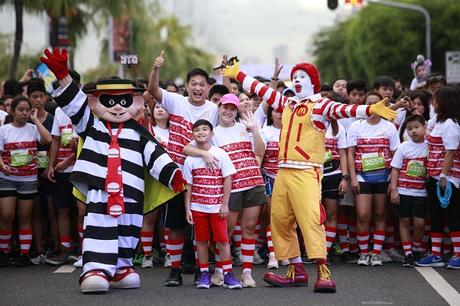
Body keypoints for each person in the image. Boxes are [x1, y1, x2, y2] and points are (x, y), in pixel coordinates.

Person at [223, 60, 396, 293]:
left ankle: (323, 271)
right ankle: (297, 270)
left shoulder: (320, 104)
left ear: (313, 82)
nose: (297, 80)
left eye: (303, 77)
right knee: (281, 221)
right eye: (295, 76)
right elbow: (262, 90)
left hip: (306, 170)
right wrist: (237, 74)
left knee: (311, 220)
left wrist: (370, 109)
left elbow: (344, 109)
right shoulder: (287, 103)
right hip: (282, 171)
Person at [40, 48, 184, 293]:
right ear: (96, 102)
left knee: (129, 228)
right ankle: (96, 267)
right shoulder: (92, 126)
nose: (117, 107)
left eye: (123, 101)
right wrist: (63, 75)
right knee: (101, 227)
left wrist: (172, 174)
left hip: (131, 193)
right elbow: (75, 106)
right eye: (110, 101)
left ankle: (121, 267)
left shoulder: (139, 133)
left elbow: (156, 155)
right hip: (101, 190)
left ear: (135, 103)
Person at [147, 51, 219, 287]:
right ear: (186, 86)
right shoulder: (175, 101)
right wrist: (156, 69)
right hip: (177, 175)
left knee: (202, 229)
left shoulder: (213, 110)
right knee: (176, 226)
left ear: (208, 87)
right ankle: (175, 270)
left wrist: (226, 75)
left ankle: (201, 271)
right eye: (193, 84)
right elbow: (154, 91)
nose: (197, 88)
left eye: (202, 84)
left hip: (203, 178)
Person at [184, 94, 266, 287]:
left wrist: (254, 130)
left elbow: (260, 151)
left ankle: (246, 272)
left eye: (232, 108)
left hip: (254, 182)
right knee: (225, 233)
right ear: (219, 108)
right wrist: (203, 153)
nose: (228, 111)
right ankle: (220, 269)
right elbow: (188, 149)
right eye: (225, 107)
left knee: (249, 229)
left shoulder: (244, 127)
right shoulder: (214, 132)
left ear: (236, 110)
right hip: (232, 187)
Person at [183, 119, 242, 289]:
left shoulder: (221, 154)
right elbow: (188, 186)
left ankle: (229, 275)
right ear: (193, 135)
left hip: (217, 208)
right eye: (197, 130)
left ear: (212, 133)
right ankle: (203, 274)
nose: (201, 132)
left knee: (223, 241)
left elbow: (228, 179)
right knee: (201, 241)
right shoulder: (190, 160)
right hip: (197, 207)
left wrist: (225, 204)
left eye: (204, 129)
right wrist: (188, 208)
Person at [347, 91, 400, 267]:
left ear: (383, 105)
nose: (373, 106)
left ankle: (376, 253)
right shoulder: (356, 126)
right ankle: (363, 252)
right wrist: (353, 178)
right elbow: (350, 153)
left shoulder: (389, 127)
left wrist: (393, 184)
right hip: (362, 177)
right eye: (369, 103)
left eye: (377, 103)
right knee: (362, 215)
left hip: (383, 177)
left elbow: (396, 157)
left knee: (380, 214)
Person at [0, 96, 52, 267]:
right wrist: (3, 166)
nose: (23, 113)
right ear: (12, 110)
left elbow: (48, 140)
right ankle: (4, 252)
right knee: (7, 216)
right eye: (20, 109)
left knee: (25, 216)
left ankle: (24, 253)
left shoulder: (32, 128)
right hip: (7, 178)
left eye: (26, 110)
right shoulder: (4, 130)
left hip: (28, 179)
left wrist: (36, 120)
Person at [417, 87, 460, 269]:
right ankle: (436, 254)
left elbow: (450, 152)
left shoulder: (451, 123)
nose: (433, 104)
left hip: (448, 177)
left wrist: (443, 175)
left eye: (436, 101)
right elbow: (427, 128)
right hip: (434, 175)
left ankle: (458, 253)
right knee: (436, 216)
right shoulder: (439, 121)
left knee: (452, 216)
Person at [390, 115, 428, 267]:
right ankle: (408, 253)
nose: (413, 131)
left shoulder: (429, 146)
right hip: (404, 191)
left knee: (419, 223)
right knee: (404, 221)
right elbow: (395, 169)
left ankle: (417, 248)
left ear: (425, 127)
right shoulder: (403, 147)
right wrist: (394, 190)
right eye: (410, 128)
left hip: (421, 193)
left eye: (417, 127)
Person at [259, 106, 282, 269]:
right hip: (269, 178)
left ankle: (285, 253)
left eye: (283, 110)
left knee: (288, 219)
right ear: (270, 114)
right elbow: (259, 155)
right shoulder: (265, 131)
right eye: (276, 110)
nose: (280, 113)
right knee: (273, 216)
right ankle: (273, 255)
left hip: (289, 179)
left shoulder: (294, 131)